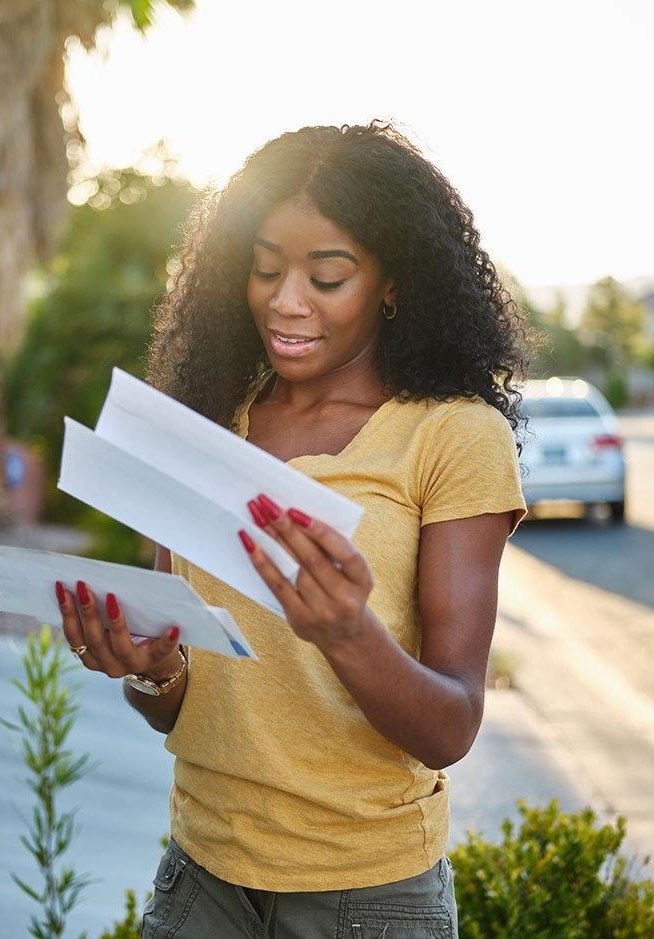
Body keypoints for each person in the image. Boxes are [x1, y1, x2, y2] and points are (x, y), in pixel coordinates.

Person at [57, 120, 530, 938]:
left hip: (366, 893)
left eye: (328, 275)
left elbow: (451, 724)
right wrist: (150, 667)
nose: (286, 300)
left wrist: (347, 631)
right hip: (201, 874)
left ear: (391, 281)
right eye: (266, 268)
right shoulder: (209, 419)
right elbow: (187, 708)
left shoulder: (451, 435)